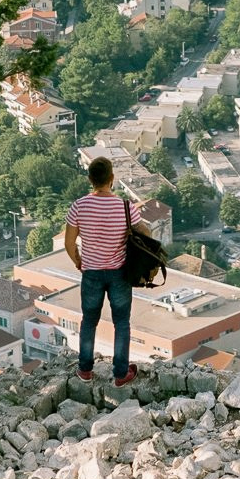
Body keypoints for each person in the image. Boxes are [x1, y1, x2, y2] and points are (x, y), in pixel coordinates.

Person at [64, 156, 151, 386]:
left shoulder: (79, 206)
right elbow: (145, 235)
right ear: (112, 179)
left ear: (90, 179)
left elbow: (69, 243)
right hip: (119, 273)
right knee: (121, 323)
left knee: (89, 321)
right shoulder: (125, 207)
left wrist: (79, 262)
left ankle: (85, 371)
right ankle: (121, 374)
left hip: (91, 272)